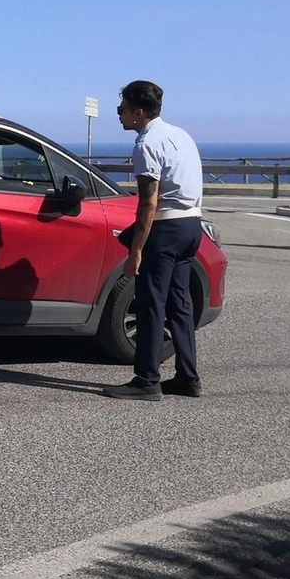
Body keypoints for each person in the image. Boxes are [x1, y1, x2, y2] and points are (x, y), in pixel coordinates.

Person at [102, 80, 205, 401]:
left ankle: (147, 380)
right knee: (180, 306)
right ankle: (188, 377)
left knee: (150, 306)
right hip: (191, 224)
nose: (119, 115)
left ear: (139, 112)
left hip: (165, 230)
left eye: (122, 109)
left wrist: (135, 253)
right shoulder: (180, 135)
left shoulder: (146, 144)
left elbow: (148, 202)